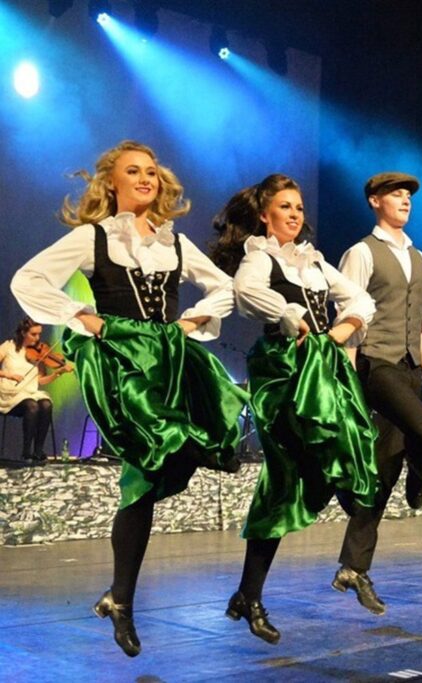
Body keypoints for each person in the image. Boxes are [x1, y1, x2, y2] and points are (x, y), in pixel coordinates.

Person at [10, 141, 245, 657]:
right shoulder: (94, 238)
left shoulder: (174, 244)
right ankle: (123, 600)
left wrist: (193, 319)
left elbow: (225, 288)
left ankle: (119, 600)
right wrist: (82, 317)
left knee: (143, 486)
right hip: (121, 367)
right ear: (110, 183)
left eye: (151, 173)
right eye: (132, 171)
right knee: (169, 450)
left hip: (170, 363)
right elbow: (27, 279)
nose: (144, 179)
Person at [210, 174, 378, 642]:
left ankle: (344, 566)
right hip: (284, 373)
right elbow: (247, 293)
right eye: (285, 207)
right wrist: (290, 315)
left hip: (323, 369)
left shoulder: (316, 262)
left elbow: (361, 299)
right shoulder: (260, 256)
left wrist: (344, 328)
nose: (295, 215)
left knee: (349, 460)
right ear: (265, 214)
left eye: (299, 208)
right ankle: (257, 594)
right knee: (288, 482)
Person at [334, 172, 422, 614]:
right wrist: (347, 381)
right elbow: (350, 317)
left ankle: (353, 568)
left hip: (409, 370)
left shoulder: (420, 258)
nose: (405, 200)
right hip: (374, 367)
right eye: (396, 194)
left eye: (409, 196)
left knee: (381, 476)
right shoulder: (361, 253)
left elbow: (420, 326)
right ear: (375, 201)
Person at [0, 318, 73, 461]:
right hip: (10, 394)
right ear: (23, 333)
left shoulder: (38, 354)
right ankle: (26, 452)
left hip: (30, 393)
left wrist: (58, 372)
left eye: (39, 334)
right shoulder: (8, 347)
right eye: (33, 334)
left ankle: (38, 450)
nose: (38, 338)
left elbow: (40, 380)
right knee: (32, 406)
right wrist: (9, 375)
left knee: (46, 404)